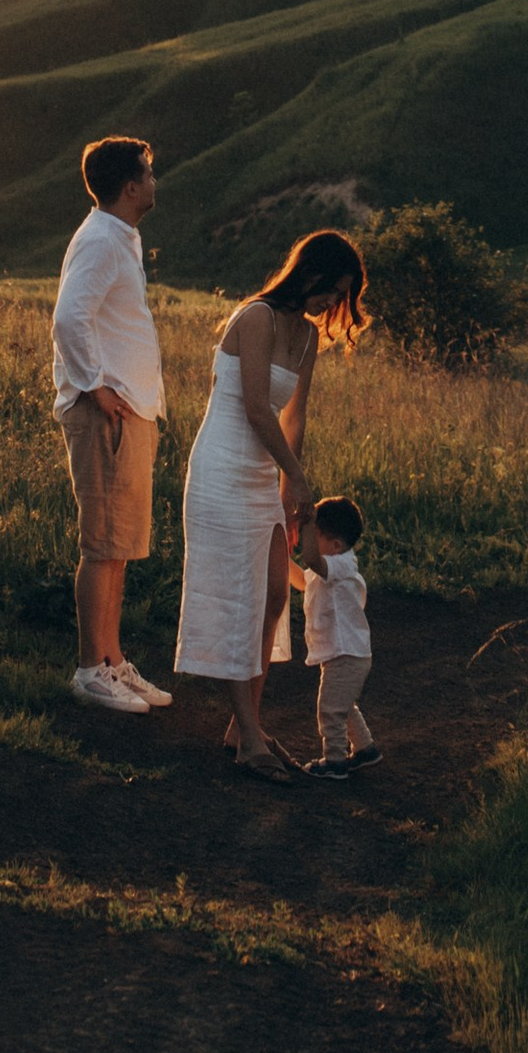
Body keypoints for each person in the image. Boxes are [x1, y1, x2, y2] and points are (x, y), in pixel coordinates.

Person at [173, 228, 369, 779]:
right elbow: (258, 408)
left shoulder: (307, 337)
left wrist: (290, 491)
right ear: (308, 272)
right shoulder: (254, 317)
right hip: (220, 470)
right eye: (331, 289)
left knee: (275, 596)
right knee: (242, 599)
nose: (332, 303)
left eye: (342, 297)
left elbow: (293, 417)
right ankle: (250, 739)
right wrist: (297, 476)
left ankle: (245, 724)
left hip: (265, 475)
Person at [51, 133, 172, 716]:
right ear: (130, 186)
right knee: (102, 545)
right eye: (149, 173)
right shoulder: (101, 239)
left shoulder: (119, 236)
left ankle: (112, 662)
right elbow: (68, 317)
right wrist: (96, 386)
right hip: (107, 413)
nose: (154, 181)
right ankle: (87, 670)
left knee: (119, 546)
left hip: (129, 410)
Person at [289, 491, 377, 783]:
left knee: (330, 708)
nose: (308, 542)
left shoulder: (339, 565)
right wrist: (280, 554)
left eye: (315, 536)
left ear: (335, 545)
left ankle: (335, 761)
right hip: (347, 653)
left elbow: (312, 559)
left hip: (347, 654)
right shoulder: (329, 565)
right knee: (343, 706)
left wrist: (306, 522)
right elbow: (302, 580)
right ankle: (365, 750)